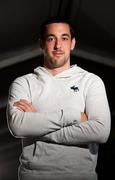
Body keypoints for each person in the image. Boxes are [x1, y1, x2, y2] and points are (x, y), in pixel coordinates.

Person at [7, 16, 111, 180]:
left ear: (73, 43)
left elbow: (100, 132)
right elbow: (18, 126)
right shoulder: (23, 83)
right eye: (51, 39)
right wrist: (74, 116)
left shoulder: (91, 81)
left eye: (64, 38)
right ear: (41, 43)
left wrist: (36, 124)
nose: (58, 45)